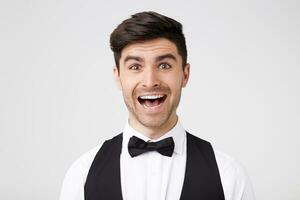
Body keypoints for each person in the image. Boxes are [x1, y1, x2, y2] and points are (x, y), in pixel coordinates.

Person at [59, 11, 255, 200]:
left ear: (185, 75)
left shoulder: (228, 175)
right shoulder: (82, 174)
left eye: (164, 66)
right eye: (135, 67)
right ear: (118, 77)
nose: (150, 81)